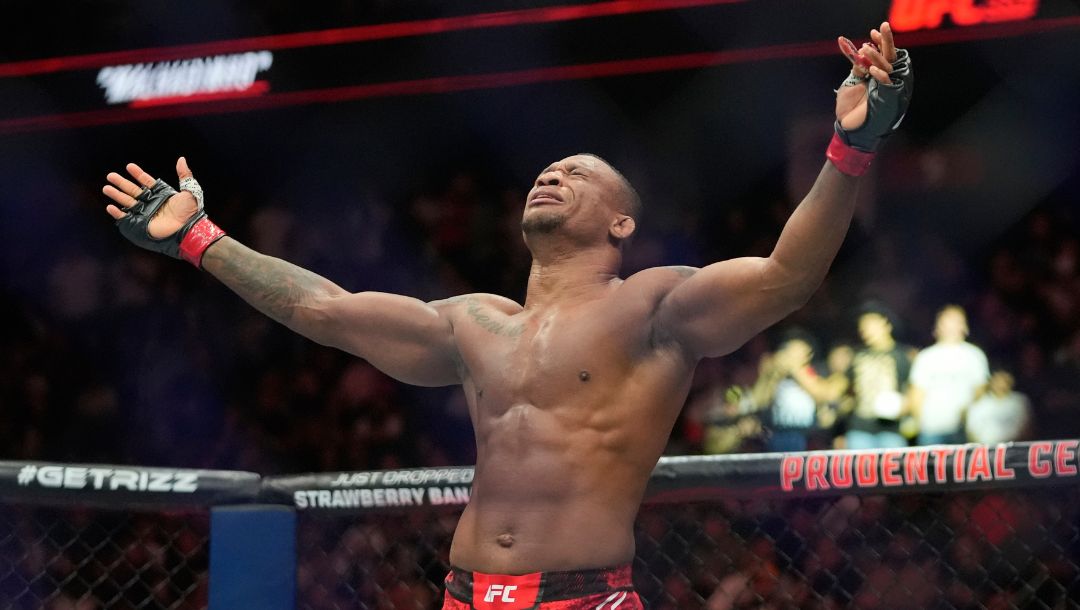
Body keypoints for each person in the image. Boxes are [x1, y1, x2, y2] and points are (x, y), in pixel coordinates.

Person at [102, 23, 911, 610]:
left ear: (621, 223)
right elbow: (329, 311)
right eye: (546, 170)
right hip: (462, 594)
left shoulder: (652, 306)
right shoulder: (474, 323)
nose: (550, 175)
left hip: (581, 598)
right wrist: (204, 240)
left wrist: (853, 150)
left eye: (577, 173)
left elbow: (783, 277)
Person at [909, 305, 990, 445]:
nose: (951, 326)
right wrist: (919, 422)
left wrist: (969, 417)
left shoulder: (975, 355)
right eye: (947, 321)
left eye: (956, 321)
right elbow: (917, 393)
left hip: (965, 430)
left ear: (964, 326)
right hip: (931, 430)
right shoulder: (926, 357)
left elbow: (981, 391)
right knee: (932, 467)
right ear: (938, 326)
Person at [844, 301, 916, 449]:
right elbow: (845, 388)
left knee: (892, 471)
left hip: (891, 430)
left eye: (870, 324)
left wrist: (904, 407)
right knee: (859, 471)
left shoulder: (903, 356)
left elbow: (914, 391)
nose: (865, 330)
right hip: (859, 429)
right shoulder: (857, 356)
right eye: (862, 326)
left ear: (886, 325)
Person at [965, 369, 1032, 444]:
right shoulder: (980, 404)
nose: (1001, 383)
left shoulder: (1020, 401)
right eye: (998, 379)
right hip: (987, 449)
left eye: (1004, 379)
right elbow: (971, 431)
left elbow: (1027, 429)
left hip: (1014, 449)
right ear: (991, 381)